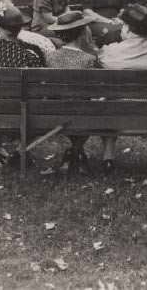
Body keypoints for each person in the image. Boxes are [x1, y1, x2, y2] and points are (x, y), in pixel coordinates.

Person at [99, 4, 147, 169]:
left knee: (106, 100)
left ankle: (108, 156)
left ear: (127, 28)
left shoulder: (110, 52)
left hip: (117, 113)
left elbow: (101, 57)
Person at [0, 5, 45, 162]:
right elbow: (38, 88)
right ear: (20, 28)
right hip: (24, 113)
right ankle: (20, 147)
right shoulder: (29, 54)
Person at [45, 11, 100, 174]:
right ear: (83, 33)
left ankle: (72, 153)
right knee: (91, 105)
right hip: (84, 113)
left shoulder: (51, 58)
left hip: (53, 111)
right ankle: (76, 152)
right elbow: (96, 89)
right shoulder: (89, 59)